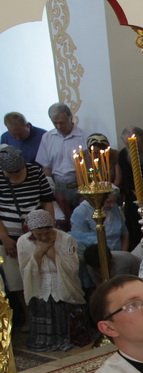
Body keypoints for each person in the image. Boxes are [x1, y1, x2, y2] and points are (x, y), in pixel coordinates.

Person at [0, 145, 54, 326]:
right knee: (16, 278)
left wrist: (49, 228)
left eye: (18, 171)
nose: (16, 176)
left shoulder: (35, 172)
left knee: (40, 272)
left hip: (38, 232)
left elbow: (47, 201)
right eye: (11, 173)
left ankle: (44, 314)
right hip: (9, 234)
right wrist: (5, 238)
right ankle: (28, 316)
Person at [16, 209, 85, 351]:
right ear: (31, 231)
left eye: (47, 233)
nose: (43, 237)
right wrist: (39, 252)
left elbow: (72, 267)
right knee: (42, 306)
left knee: (63, 308)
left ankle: (68, 339)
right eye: (38, 234)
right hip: (39, 282)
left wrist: (52, 253)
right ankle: (44, 341)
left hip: (62, 280)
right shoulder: (23, 241)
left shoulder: (66, 239)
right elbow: (24, 269)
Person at [35, 103, 87, 223]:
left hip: (80, 184)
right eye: (55, 123)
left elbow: (89, 166)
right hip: (58, 186)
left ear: (70, 117)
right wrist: (51, 190)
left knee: (83, 220)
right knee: (64, 222)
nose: (58, 126)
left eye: (62, 122)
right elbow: (46, 167)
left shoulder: (84, 136)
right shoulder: (47, 137)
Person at [116, 126, 143, 250]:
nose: (133, 149)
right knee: (133, 218)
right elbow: (128, 180)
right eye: (128, 145)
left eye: (136, 145)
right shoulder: (123, 156)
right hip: (133, 194)